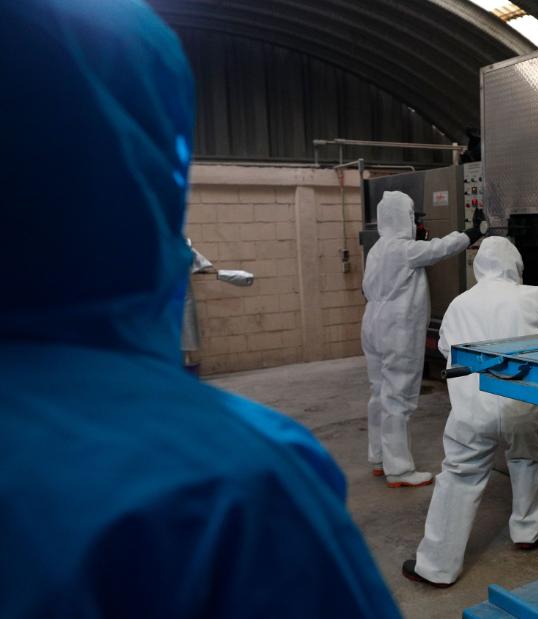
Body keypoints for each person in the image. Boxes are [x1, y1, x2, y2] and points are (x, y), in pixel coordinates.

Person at [0, 2, 402, 617]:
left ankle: (386, 456)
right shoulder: (226, 483)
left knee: (384, 400)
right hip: (387, 336)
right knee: (392, 400)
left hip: (375, 333)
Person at [403, 236, 538, 586]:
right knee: (527, 458)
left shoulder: (458, 304)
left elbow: (445, 347)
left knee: (459, 476)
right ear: (514, 265)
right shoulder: (532, 295)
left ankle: (437, 567)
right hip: (521, 406)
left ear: (478, 266)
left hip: (471, 410)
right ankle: (528, 530)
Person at [361, 191, 481, 487]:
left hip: (372, 324)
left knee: (379, 392)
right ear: (404, 218)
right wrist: (473, 233)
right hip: (397, 328)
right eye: (414, 218)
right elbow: (440, 249)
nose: (417, 224)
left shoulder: (378, 249)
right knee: (398, 396)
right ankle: (398, 470)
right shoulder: (404, 250)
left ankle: (379, 457)